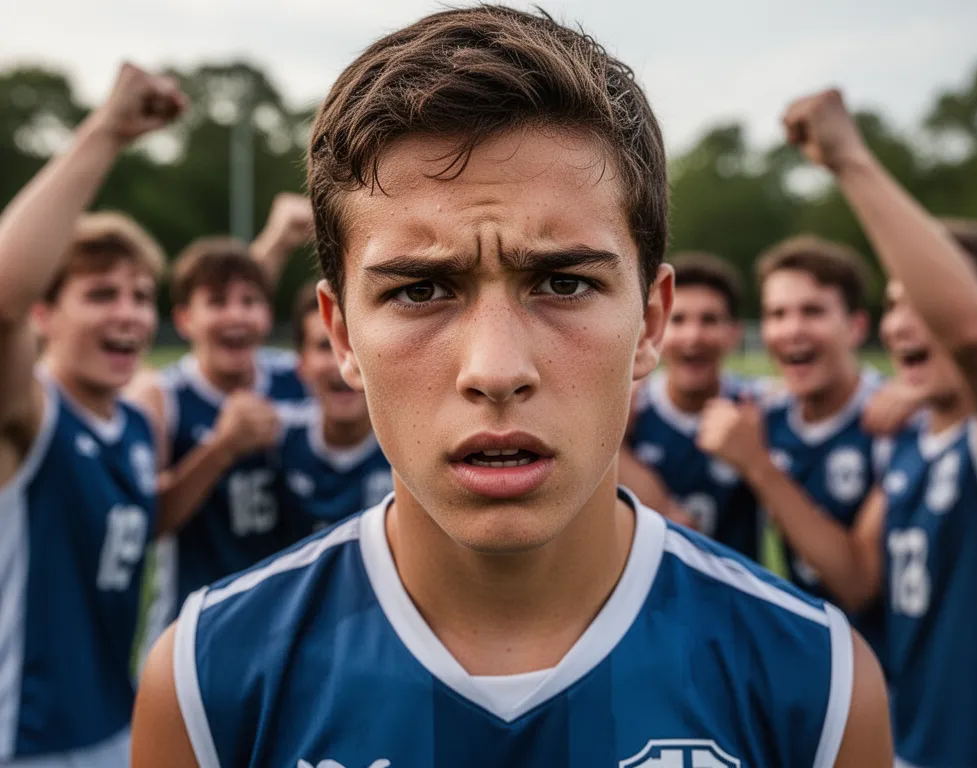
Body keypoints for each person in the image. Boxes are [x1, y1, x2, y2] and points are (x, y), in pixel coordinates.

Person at [131, 9, 891, 767]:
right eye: (421, 290)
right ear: (340, 337)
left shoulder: (818, 680)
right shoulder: (207, 680)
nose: (495, 370)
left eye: (563, 282)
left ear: (651, 322)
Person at [701, 87, 977, 767]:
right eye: (895, 303)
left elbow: (972, 339)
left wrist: (848, 159)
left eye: (922, 302)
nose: (901, 322)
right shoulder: (914, 438)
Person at [0, 64, 183, 766]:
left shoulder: (135, 423)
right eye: (102, 293)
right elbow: (4, 300)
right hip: (27, 738)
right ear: (45, 315)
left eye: (141, 295)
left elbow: (139, 522)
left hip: (116, 722)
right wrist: (106, 131)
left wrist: (218, 454)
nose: (130, 312)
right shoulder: (30, 412)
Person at [701, 236, 890, 657]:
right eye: (777, 314)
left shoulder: (891, 420)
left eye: (813, 311)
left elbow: (857, 585)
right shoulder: (766, 412)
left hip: (894, 674)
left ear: (856, 326)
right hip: (814, 663)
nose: (792, 329)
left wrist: (759, 467)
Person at [130, 220, 312, 645]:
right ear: (184, 319)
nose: (236, 315)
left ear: (267, 315)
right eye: (216, 302)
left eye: (250, 301)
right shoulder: (165, 396)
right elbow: (150, 521)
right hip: (195, 626)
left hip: (290, 620)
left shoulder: (299, 379)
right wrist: (221, 449)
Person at [619, 252, 762, 559]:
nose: (693, 336)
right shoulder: (630, 409)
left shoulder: (756, 406)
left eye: (709, 320)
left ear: (734, 333)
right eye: (679, 320)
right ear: (654, 329)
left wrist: (895, 393)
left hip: (735, 596)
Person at [277, 283, 392, 535]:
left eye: (354, 342)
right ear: (301, 364)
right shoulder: (276, 440)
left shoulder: (409, 447)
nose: (343, 362)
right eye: (324, 346)